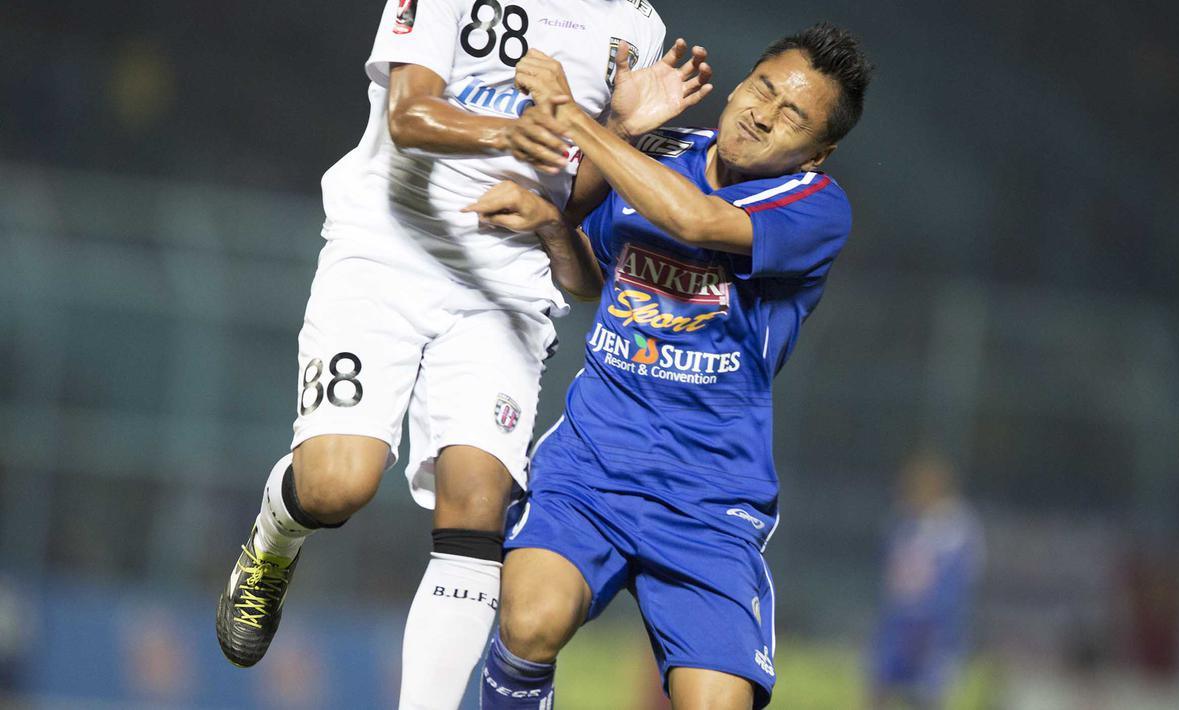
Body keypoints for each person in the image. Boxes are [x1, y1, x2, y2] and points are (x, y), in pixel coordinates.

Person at [211, 1, 713, 708]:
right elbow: (408, 114)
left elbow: (572, 199)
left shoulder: (637, 25)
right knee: (335, 486)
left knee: (479, 504)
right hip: (387, 247)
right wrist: (516, 129)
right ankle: (275, 537)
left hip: (506, 277)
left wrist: (620, 131)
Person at [462, 22, 873, 709]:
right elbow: (593, 280)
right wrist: (554, 222)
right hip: (591, 469)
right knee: (529, 621)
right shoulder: (660, 154)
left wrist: (580, 120)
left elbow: (696, 222)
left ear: (817, 152)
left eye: (792, 115)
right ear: (739, 84)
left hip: (708, 500)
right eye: (763, 88)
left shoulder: (815, 206)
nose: (762, 113)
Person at [868, 450, 984, 710]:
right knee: (879, 686)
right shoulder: (903, 523)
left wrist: (941, 622)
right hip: (899, 623)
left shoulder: (956, 527)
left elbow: (958, 583)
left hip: (934, 628)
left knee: (927, 695)